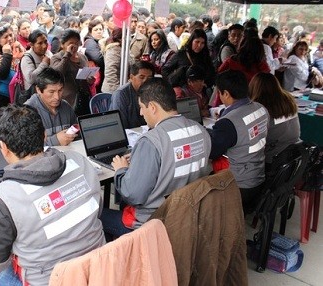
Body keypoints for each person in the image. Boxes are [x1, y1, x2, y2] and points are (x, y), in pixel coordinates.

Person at [0, 105, 105, 286]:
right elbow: (96, 210)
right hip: (96, 269)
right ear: (44, 135)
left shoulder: (3, 198)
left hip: (50, 281)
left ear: (3, 147)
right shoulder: (80, 162)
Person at [101, 78, 211, 239]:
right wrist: (142, 159)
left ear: (152, 107)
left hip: (154, 223)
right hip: (188, 214)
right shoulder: (200, 130)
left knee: (98, 216)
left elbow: (133, 195)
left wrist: (121, 170)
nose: (140, 113)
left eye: (141, 107)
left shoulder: (151, 141)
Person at [208, 70, 269, 213]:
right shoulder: (261, 108)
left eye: (219, 93)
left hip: (239, 185)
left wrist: (208, 133)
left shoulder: (229, 122)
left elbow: (213, 151)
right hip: (259, 177)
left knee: (196, 187)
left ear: (226, 94)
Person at [249, 72, 300, 165]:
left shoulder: (259, 108)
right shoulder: (288, 99)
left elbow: (251, 139)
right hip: (295, 152)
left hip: (274, 158)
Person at [25, 68, 77, 146]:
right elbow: (26, 147)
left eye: (60, 90)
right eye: (51, 92)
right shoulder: (27, 111)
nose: (57, 97)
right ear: (38, 90)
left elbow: (78, 134)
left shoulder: (66, 107)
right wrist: (55, 141)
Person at [50, 29, 93, 115]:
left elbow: (85, 76)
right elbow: (57, 74)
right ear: (62, 44)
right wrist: (67, 55)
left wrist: (89, 79)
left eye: (77, 43)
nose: (74, 46)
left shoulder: (83, 57)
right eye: (70, 44)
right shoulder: (57, 57)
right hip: (68, 99)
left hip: (84, 97)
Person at [0, 22, 25, 110]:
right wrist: (7, 55)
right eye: (5, 37)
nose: (9, 39)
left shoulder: (18, 49)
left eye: (10, 35)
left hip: (19, 97)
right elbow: (2, 75)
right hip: (2, 102)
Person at [109, 61, 154, 129]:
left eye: (149, 78)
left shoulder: (153, 92)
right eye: (141, 77)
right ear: (131, 77)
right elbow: (121, 125)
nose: (145, 81)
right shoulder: (120, 94)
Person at [83, 19, 105, 93]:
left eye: (100, 29)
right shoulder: (90, 42)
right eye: (96, 30)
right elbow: (98, 58)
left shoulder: (96, 41)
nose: (99, 31)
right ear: (90, 31)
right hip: (92, 75)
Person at [101, 28, 122, 93]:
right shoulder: (114, 49)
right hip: (112, 90)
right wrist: (117, 90)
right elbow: (110, 72)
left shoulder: (121, 48)